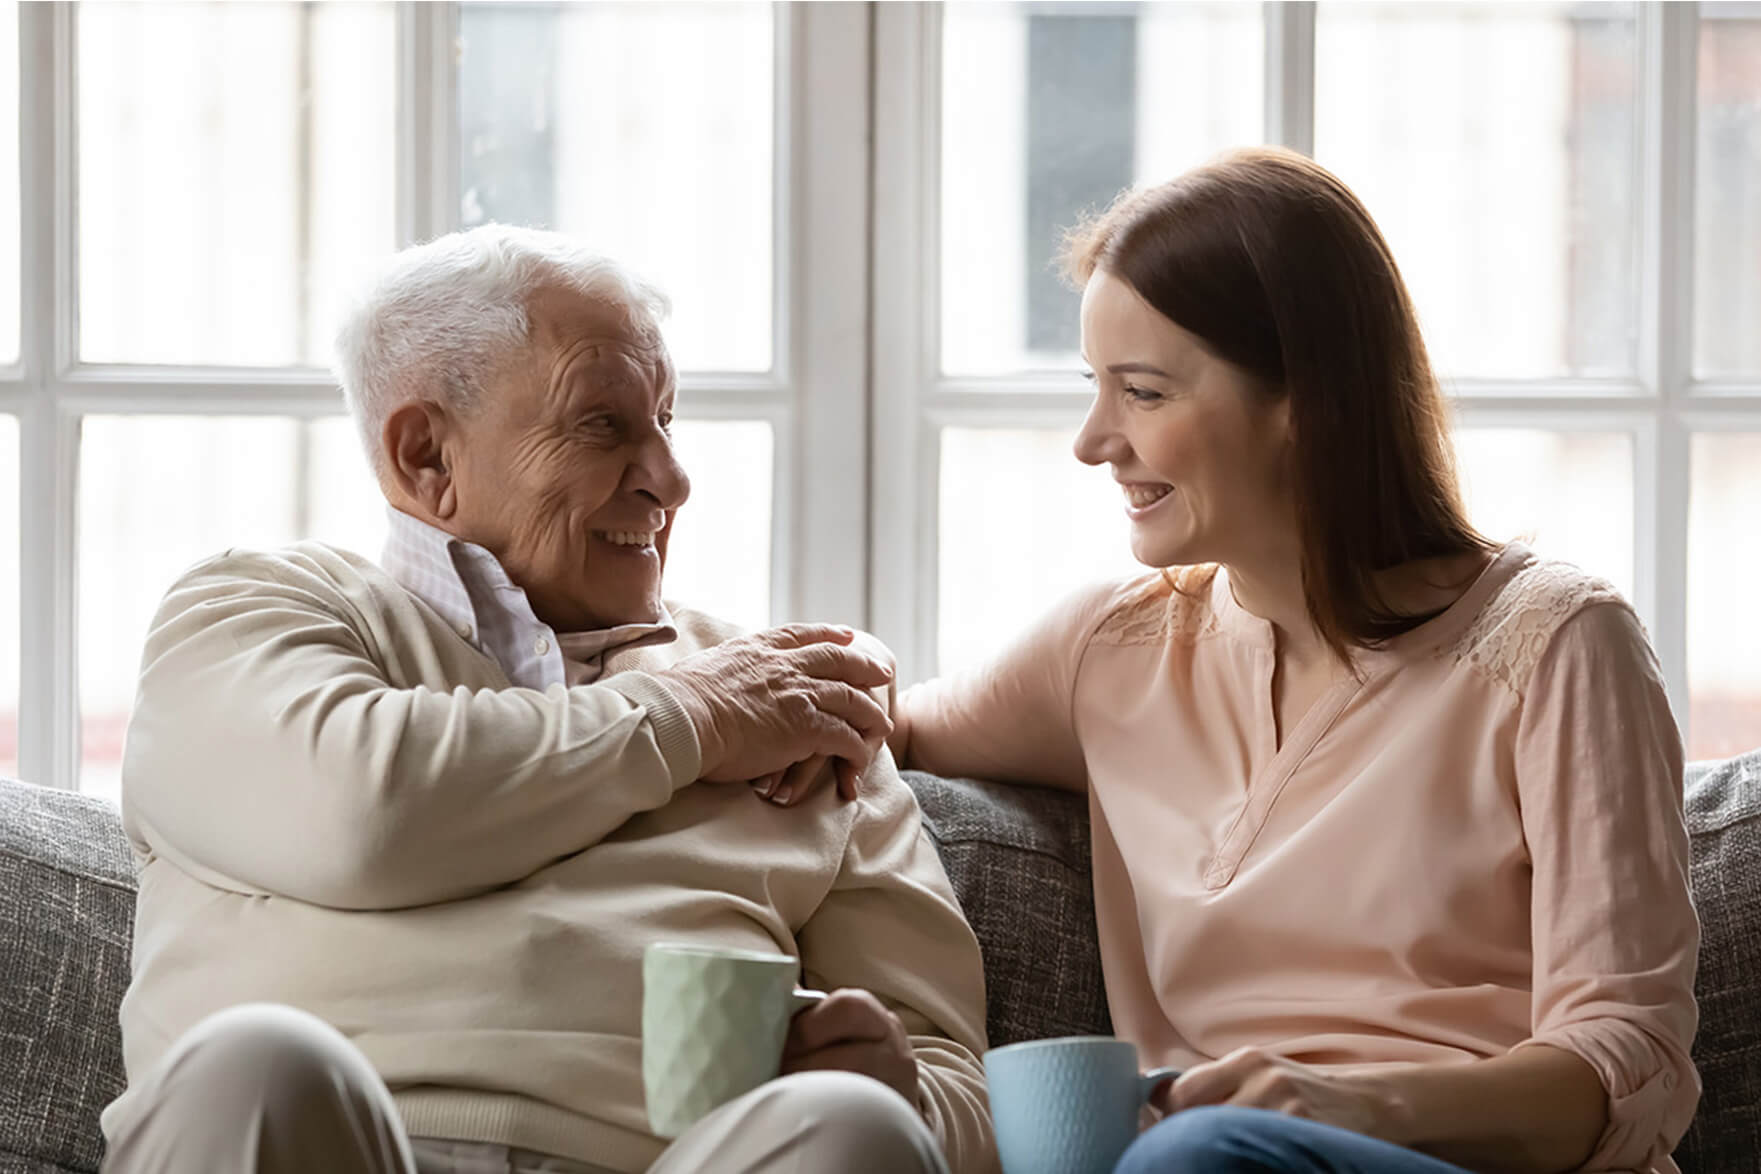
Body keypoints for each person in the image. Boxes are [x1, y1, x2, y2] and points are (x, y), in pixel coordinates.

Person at [100, 225, 996, 1174]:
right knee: (256, 1067)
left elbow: (961, 1093)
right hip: (325, 1145)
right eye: (603, 425)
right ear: (426, 458)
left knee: (851, 1129)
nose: (670, 479)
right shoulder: (252, 612)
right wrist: (694, 718)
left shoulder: (788, 699)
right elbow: (367, 815)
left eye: (666, 421)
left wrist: (900, 1090)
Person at [889, 148, 1698, 1174]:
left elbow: (1630, 1067)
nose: (1094, 441)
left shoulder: (1557, 647)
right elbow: (877, 713)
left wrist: (1348, 1105)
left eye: (1140, 392)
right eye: (1095, 389)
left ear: (1302, 401)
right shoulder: (1112, 651)